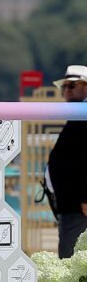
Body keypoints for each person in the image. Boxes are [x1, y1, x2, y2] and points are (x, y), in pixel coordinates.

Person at [47, 64, 87, 258]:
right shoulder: (77, 116)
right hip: (71, 206)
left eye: (72, 85)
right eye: (64, 87)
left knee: (71, 264)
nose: (66, 91)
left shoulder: (83, 117)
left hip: (78, 208)